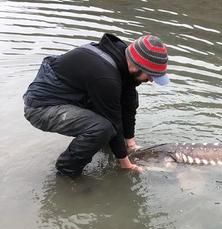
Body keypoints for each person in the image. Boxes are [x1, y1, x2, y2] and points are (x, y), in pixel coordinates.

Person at [23, 33, 169, 176]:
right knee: (103, 128)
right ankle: (67, 171)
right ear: (136, 66)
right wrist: (126, 165)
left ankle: (108, 148)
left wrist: (130, 143)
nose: (151, 80)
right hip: (42, 106)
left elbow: (128, 103)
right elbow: (114, 122)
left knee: (121, 108)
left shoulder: (123, 59)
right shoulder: (106, 77)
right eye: (150, 75)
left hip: (73, 95)